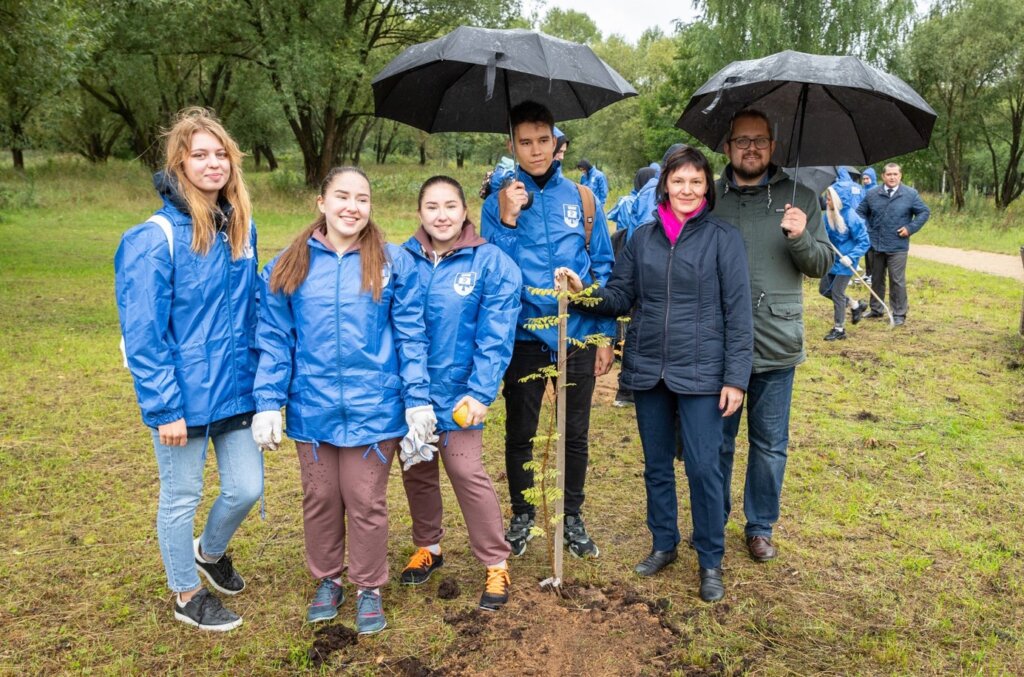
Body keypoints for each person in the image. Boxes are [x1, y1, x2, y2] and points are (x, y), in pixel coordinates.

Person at [557, 145, 753, 602]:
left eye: (696, 182)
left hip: (705, 374)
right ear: (664, 184)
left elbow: (739, 315)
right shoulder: (643, 237)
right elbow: (621, 296)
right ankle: (664, 543)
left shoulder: (723, 239)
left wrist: (735, 378)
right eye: (679, 181)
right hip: (649, 371)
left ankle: (709, 559)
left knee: (705, 469)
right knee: (656, 467)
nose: (687, 190)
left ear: (708, 188)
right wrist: (585, 292)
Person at [252, 166, 433, 634]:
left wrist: (417, 400)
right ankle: (328, 579)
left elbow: (411, 336)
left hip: (376, 410)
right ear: (321, 202)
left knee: (365, 498)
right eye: (342, 196)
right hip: (312, 409)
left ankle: (368, 587)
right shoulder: (288, 264)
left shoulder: (393, 263)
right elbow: (275, 339)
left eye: (362, 199)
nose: (352, 207)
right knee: (320, 497)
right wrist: (268, 401)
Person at [114, 107, 262, 631]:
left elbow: (252, 309)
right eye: (200, 154)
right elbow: (143, 337)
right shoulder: (154, 240)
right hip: (183, 399)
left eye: (221, 153)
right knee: (181, 496)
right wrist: (164, 408)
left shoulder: (241, 227)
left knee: (247, 487)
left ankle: (209, 549)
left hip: (237, 390)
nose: (213, 163)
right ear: (179, 163)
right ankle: (185, 592)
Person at [482, 100, 616, 559]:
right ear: (512, 145)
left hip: (575, 332)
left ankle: (572, 517)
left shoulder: (583, 198)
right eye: (525, 142)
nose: (535, 150)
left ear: (556, 144)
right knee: (520, 430)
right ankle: (522, 515)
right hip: (520, 336)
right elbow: (491, 269)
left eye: (543, 141)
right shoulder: (496, 202)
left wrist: (604, 334)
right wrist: (506, 218)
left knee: (573, 430)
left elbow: (603, 267)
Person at [712, 109, 833, 562]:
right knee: (717, 441)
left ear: (773, 145)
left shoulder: (801, 196)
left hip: (776, 342)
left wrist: (801, 236)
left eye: (759, 140)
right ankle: (713, 518)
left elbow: (821, 264)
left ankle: (759, 526)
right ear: (727, 146)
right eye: (741, 140)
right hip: (719, 345)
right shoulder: (712, 197)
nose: (751, 148)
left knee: (769, 444)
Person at [397, 176, 522, 611]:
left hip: (462, 396)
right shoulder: (401, 259)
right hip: (411, 396)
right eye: (432, 206)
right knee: (417, 470)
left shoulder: (490, 263)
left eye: (450, 205)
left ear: (465, 211)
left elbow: (495, 336)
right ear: (419, 213)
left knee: (467, 473)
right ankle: (428, 546)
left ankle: (495, 561)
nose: (442, 215)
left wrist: (481, 392)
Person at [856, 163, 930, 326]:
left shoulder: (910, 194)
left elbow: (924, 212)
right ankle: (876, 309)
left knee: (897, 280)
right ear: (883, 176)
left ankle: (899, 314)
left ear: (900, 176)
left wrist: (910, 228)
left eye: (895, 174)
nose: (892, 177)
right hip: (876, 244)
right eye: (889, 174)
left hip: (898, 245)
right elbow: (860, 212)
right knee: (876, 278)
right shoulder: (873, 194)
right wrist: (868, 229)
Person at [818, 185, 870, 340]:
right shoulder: (827, 215)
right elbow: (823, 233)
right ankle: (855, 305)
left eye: (829, 199)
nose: (826, 202)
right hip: (832, 260)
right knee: (824, 290)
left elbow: (864, 241)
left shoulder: (851, 217)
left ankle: (839, 329)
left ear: (837, 200)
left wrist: (852, 257)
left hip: (847, 262)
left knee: (837, 293)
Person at [859, 167, 878, 284]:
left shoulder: (876, 190)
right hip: (864, 224)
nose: (865, 181)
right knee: (866, 249)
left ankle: (874, 274)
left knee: (872, 250)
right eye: (864, 178)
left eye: (867, 178)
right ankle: (868, 272)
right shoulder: (862, 190)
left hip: (873, 225)